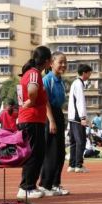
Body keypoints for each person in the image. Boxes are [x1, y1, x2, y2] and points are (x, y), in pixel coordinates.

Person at [17, 46, 53, 199]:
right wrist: (31, 101)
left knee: (37, 153)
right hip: (31, 119)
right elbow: (32, 90)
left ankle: (30, 184)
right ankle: (26, 187)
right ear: (47, 61)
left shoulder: (31, 73)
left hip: (33, 119)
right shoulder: (33, 73)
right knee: (33, 153)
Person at [38, 52, 69, 196]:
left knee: (61, 152)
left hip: (59, 113)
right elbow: (45, 102)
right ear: (51, 63)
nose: (63, 65)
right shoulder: (47, 79)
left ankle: (55, 183)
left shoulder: (60, 80)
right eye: (60, 62)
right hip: (49, 116)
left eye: (65, 62)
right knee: (51, 151)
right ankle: (45, 184)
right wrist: (51, 120)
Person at [67, 64, 92, 174]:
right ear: (84, 73)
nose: (90, 75)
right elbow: (80, 101)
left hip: (72, 116)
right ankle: (78, 165)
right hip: (77, 117)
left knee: (73, 142)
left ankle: (72, 164)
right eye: (89, 72)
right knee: (81, 141)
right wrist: (83, 117)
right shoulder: (79, 84)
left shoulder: (75, 83)